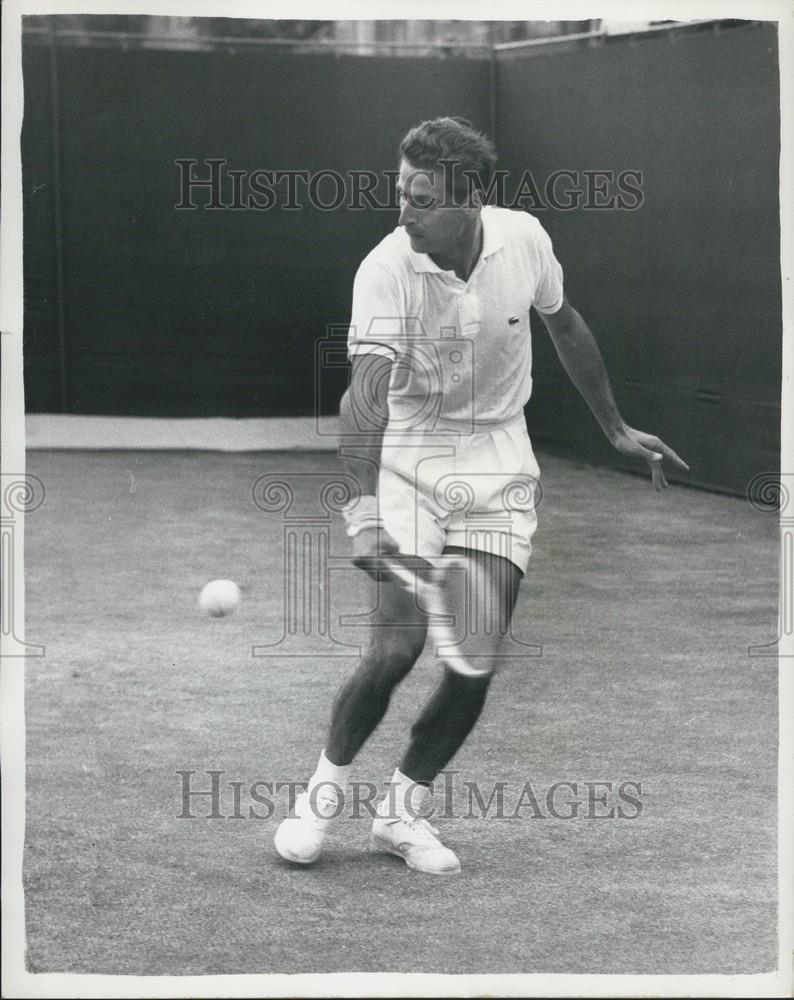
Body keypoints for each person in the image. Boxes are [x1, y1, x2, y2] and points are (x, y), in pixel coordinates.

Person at [274, 116, 687, 874]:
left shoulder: (524, 240)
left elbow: (565, 324)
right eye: (400, 192)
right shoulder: (386, 269)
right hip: (408, 455)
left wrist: (616, 427)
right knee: (397, 650)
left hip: (500, 456)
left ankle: (400, 816)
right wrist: (362, 515)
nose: (403, 213)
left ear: (472, 201)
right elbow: (363, 401)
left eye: (422, 199)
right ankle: (320, 796)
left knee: (474, 661)